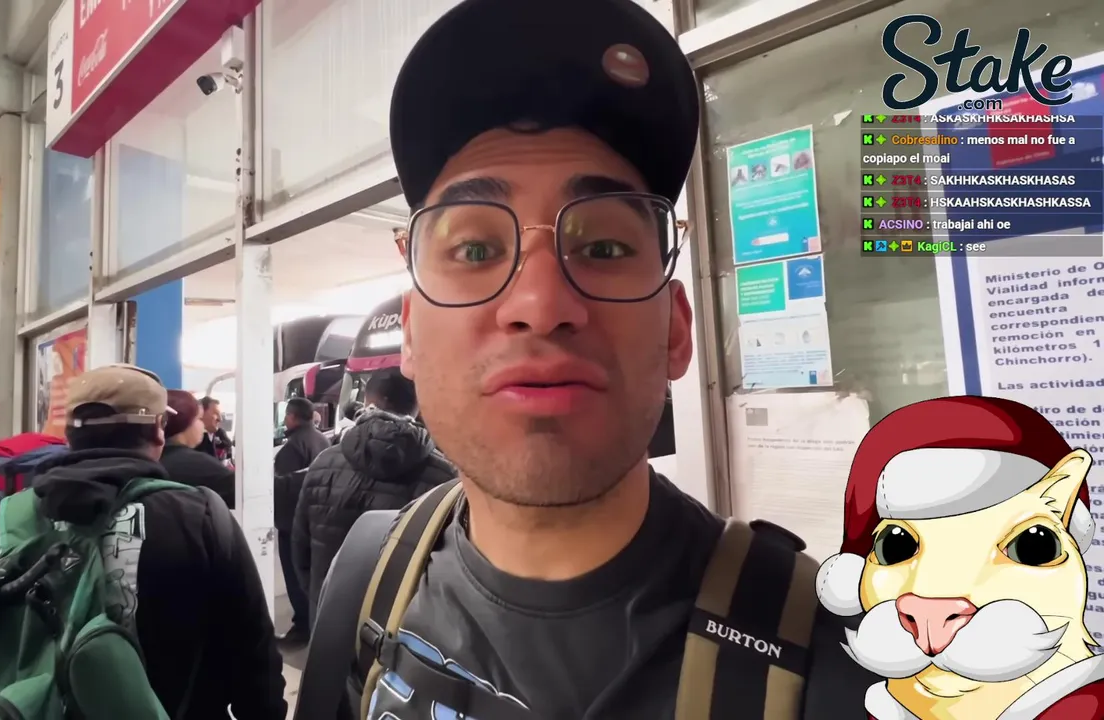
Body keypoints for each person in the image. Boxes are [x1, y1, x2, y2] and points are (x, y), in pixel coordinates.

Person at [301, 1, 872, 718]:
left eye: (603, 247)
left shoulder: (851, 674)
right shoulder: (365, 583)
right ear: (410, 334)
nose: (540, 303)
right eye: (475, 250)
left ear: (676, 328)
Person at [0, 364, 287, 720]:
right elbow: (255, 664)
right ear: (158, 432)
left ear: (69, 435)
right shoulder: (201, 520)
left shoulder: (1, 526)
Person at [292, 369, 454, 615]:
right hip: (401, 626)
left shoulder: (323, 464)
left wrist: (319, 598)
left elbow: (300, 550)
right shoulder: (446, 479)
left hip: (330, 615)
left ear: (367, 401)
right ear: (418, 406)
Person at [273, 396, 330, 645]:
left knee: (294, 573)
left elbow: (284, 489)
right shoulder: (323, 440)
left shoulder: (292, 448)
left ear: (292, 417)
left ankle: (302, 626)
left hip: (294, 523)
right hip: (319, 518)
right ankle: (315, 621)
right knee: (312, 573)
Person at [159, 389, 236, 509]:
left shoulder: (148, 458)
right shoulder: (201, 466)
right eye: (199, 419)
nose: (202, 425)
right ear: (184, 422)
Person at [196, 396, 234, 464]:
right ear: (201, 413)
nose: (220, 419)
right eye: (216, 413)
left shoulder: (212, 434)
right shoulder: (189, 443)